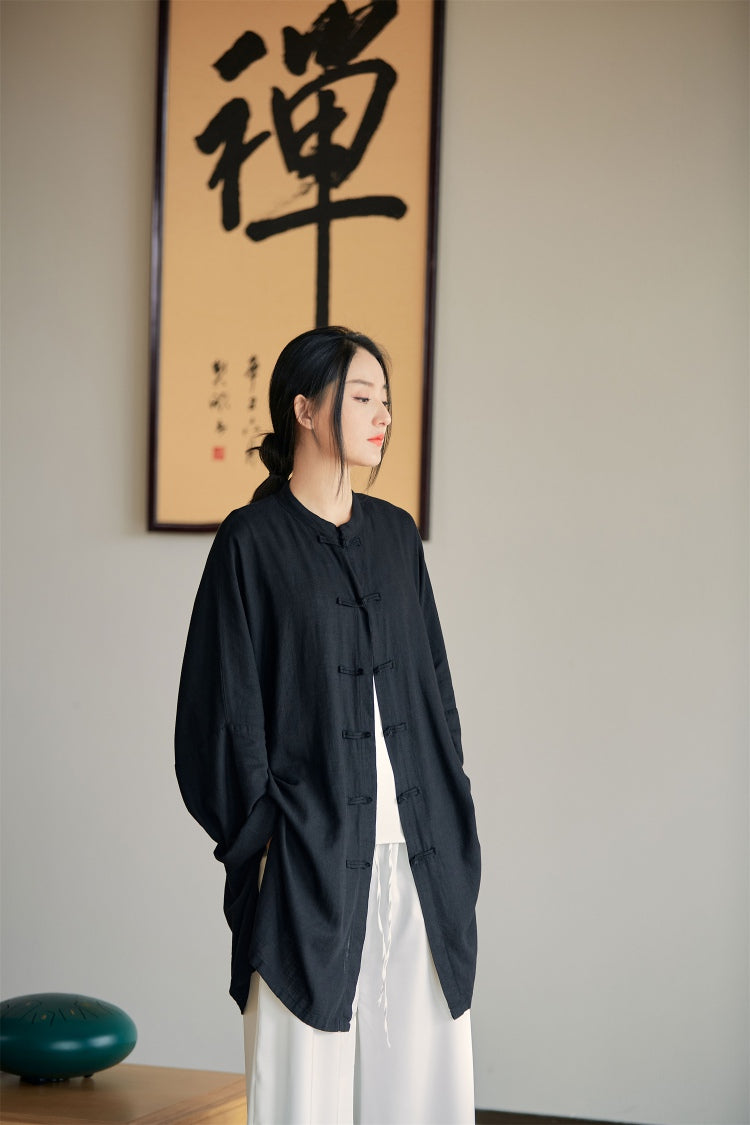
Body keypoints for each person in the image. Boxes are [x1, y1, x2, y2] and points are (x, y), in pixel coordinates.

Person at [175, 326, 481, 1125]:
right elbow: (219, 712)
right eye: (363, 396)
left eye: (387, 400)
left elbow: (437, 692)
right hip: (304, 863)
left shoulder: (396, 535)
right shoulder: (251, 542)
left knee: (421, 1091)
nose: (383, 416)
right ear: (305, 409)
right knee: (301, 1093)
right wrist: (263, 839)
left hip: (419, 856)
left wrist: (452, 807)